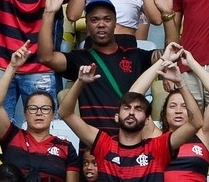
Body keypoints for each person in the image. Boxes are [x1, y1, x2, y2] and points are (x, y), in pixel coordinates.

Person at [38, 0, 152, 134]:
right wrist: (48, 13)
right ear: (87, 25)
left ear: (115, 23)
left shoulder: (134, 55)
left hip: (130, 143)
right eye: (94, 20)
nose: (101, 24)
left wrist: (167, 16)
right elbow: (46, 57)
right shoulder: (80, 58)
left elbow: (169, 54)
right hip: (93, 147)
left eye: (107, 19)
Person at [59, 62, 197, 177]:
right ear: (117, 117)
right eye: (126, 108)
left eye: (138, 109)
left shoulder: (158, 147)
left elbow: (196, 122)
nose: (131, 112)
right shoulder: (103, 144)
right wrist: (80, 82)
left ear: (147, 119)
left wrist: (180, 83)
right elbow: (65, 113)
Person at [128, 42, 209, 177]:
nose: (178, 110)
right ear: (164, 113)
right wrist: (163, 60)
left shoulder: (204, 136)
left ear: (192, 110)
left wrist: (191, 64)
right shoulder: (155, 136)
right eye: (172, 106)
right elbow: (132, 98)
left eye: (184, 106)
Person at [0, 46, 78, 182]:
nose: (39, 113)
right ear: (25, 113)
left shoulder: (66, 147)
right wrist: (12, 67)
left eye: (45, 109)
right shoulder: (12, 136)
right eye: (33, 108)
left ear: (53, 115)